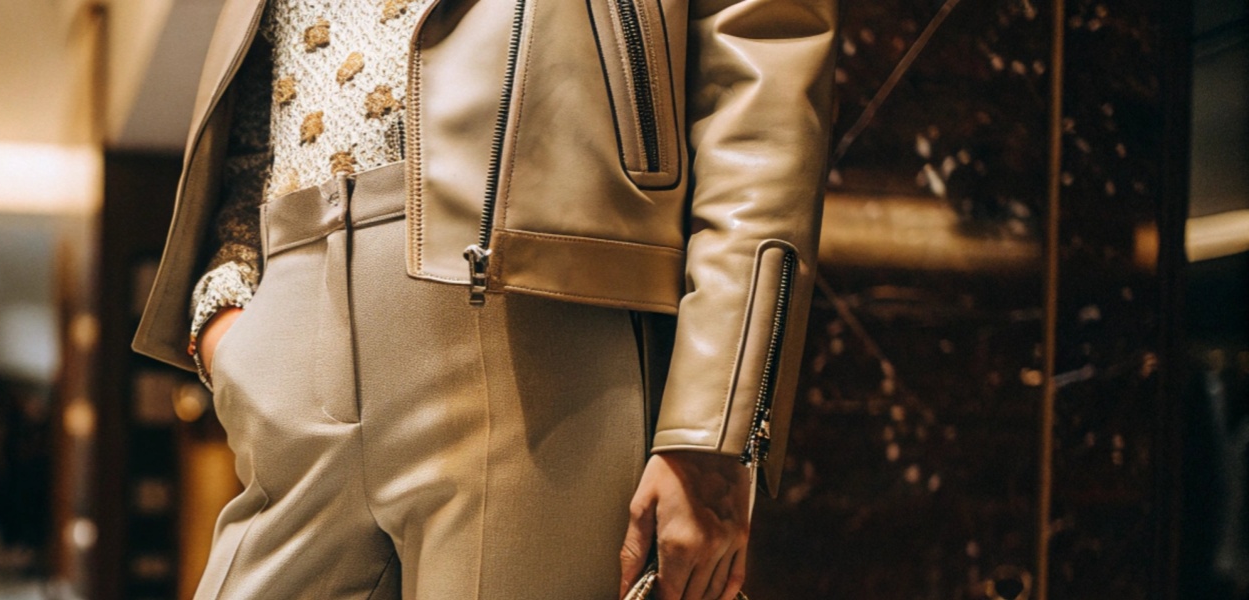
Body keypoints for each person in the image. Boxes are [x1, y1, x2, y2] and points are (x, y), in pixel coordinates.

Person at [133, 0, 835, 597]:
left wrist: (715, 426)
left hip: (528, 324)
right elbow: (262, 82)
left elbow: (762, 65)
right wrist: (226, 312)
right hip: (288, 319)